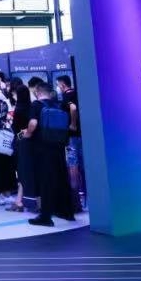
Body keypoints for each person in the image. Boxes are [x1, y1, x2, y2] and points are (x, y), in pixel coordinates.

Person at [24, 81, 75, 227]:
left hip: (42, 148)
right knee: (61, 178)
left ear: (37, 92)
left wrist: (27, 134)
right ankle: (67, 212)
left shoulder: (36, 105)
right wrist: (72, 126)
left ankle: (45, 216)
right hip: (58, 146)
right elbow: (72, 112)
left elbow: (33, 124)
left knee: (46, 181)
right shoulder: (58, 104)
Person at [57, 74, 85, 211]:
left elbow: (73, 108)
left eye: (58, 85)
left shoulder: (67, 96)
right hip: (82, 135)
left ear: (62, 85)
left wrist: (73, 124)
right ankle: (85, 196)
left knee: (73, 166)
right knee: (83, 166)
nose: (58, 87)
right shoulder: (78, 93)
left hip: (72, 137)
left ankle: (76, 200)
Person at [8, 83, 34, 212]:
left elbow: (16, 128)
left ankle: (19, 201)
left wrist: (18, 136)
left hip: (21, 142)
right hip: (31, 142)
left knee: (21, 171)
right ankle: (21, 199)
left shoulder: (18, 109)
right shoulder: (32, 107)